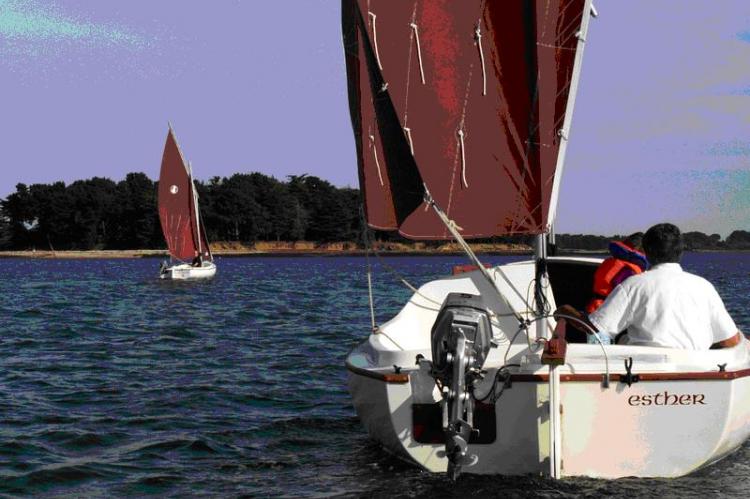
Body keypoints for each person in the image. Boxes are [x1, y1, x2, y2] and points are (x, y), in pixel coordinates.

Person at [556, 223, 742, 350]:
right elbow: (731, 341)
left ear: (646, 252)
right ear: (680, 251)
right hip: (697, 376)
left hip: (643, 379)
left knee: (620, 339)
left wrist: (566, 311)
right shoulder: (705, 287)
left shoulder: (633, 285)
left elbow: (596, 331)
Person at [585, 232, 648, 314]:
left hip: (596, 308)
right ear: (640, 249)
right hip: (608, 312)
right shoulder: (629, 270)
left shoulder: (612, 262)